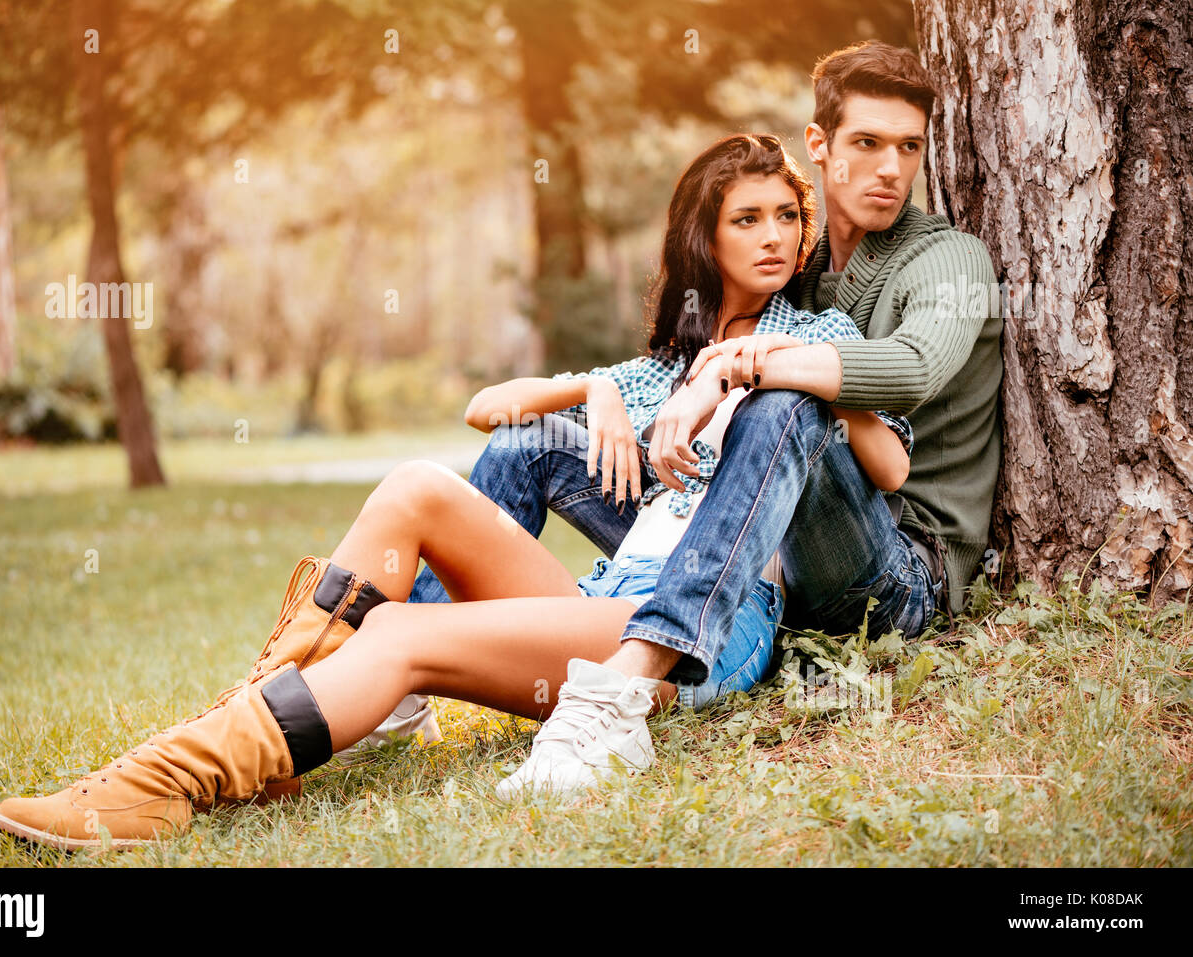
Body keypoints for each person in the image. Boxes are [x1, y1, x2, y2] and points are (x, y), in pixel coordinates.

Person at [0, 135, 913, 849]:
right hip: (607, 601)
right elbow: (494, 410)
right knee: (416, 486)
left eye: (784, 218)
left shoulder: (818, 333)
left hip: (701, 630)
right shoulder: (663, 366)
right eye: (745, 218)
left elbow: (887, 464)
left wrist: (765, 363)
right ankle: (266, 716)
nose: (772, 237)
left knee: (403, 630)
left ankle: (168, 781)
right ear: (703, 235)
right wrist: (595, 388)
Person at [428, 41, 1004, 797]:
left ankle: (639, 672)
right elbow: (503, 407)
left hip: (895, 559)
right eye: (868, 143)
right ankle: (417, 676)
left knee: (782, 402)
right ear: (821, 147)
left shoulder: (943, 259)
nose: (891, 168)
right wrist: (593, 389)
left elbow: (915, 369)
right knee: (530, 444)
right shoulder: (803, 275)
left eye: (908, 147)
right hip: (761, 538)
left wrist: (741, 365)